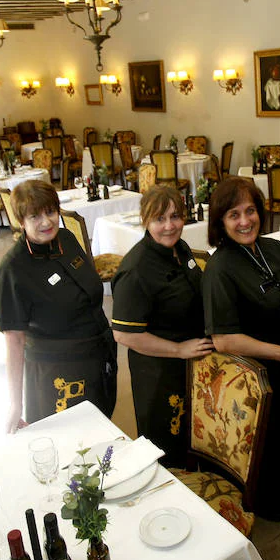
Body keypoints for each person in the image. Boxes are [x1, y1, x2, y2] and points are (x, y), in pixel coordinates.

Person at [202, 176, 280, 522]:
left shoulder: (274, 248)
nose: (245, 221)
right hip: (251, 373)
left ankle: (274, 485)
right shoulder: (220, 269)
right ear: (220, 222)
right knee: (261, 440)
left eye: (250, 211)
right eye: (233, 215)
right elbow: (224, 340)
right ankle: (261, 495)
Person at [0, 180, 117, 434]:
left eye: (50, 212)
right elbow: (14, 342)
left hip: (98, 356)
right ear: (21, 221)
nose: (46, 222)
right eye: (35, 216)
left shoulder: (67, 239)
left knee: (101, 432)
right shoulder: (13, 270)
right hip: (59, 374)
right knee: (73, 444)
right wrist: (15, 404)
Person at [111, 185, 214, 467]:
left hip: (189, 364)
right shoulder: (137, 269)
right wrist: (179, 349)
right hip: (158, 372)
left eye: (175, 217)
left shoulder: (180, 249)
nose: (169, 226)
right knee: (164, 443)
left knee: (190, 438)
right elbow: (124, 334)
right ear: (145, 221)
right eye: (159, 219)